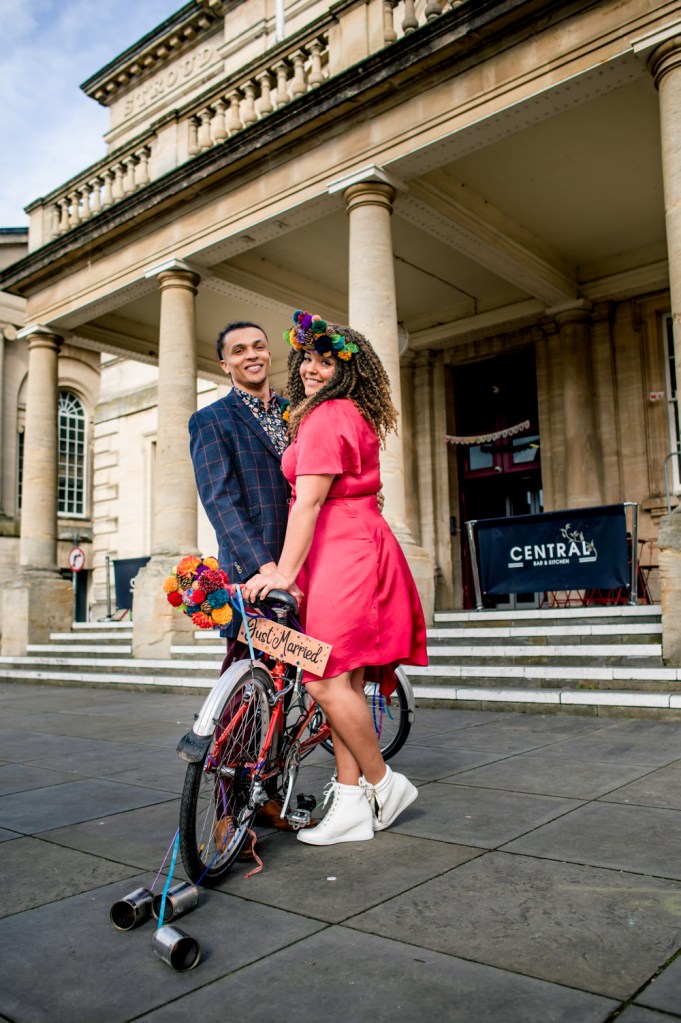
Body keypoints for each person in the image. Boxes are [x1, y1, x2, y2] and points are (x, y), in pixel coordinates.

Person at [242, 310, 428, 846]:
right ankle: (350, 805)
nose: (311, 369)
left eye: (326, 362)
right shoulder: (344, 412)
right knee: (343, 681)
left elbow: (309, 502)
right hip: (351, 547)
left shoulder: (326, 416)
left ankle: (384, 783)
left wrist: (283, 573)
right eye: (307, 359)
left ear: (347, 371)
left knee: (322, 678)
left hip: (344, 554)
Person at [188, 320, 294, 658]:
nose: (252, 355)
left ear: (269, 354)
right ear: (225, 364)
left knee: (308, 671)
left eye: (258, 347)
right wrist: (267, 568)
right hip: (254, 572)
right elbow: (220, 502)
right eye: (239, 350)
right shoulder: (210, 420)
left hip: (306, 558)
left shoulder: (297, 412)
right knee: (250, 674)